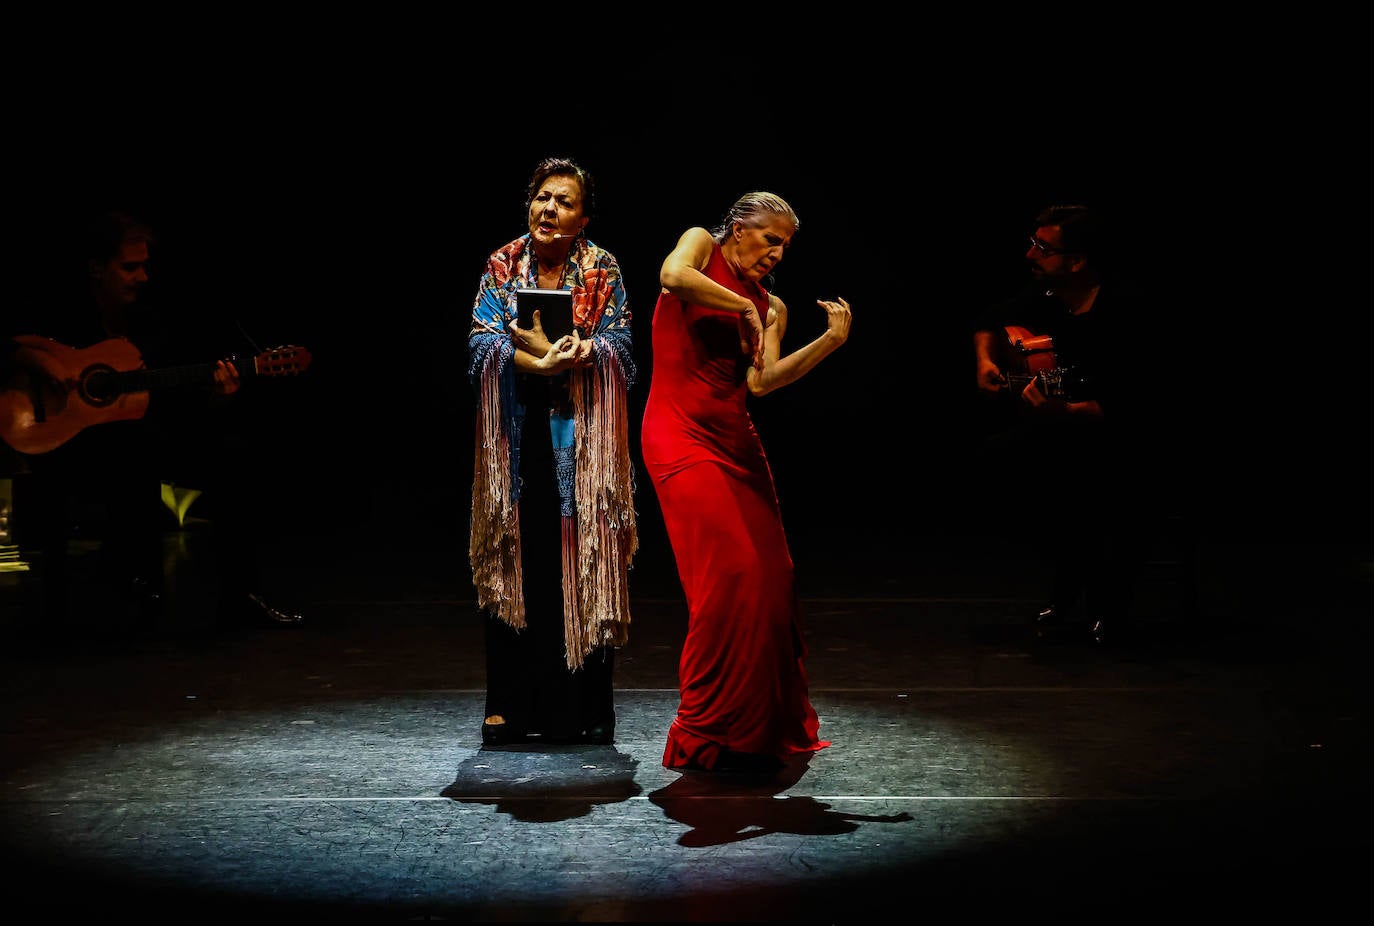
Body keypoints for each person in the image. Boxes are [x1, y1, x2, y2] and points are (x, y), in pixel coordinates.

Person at [2, 209, 303, 639]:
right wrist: (42, 363)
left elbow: (174, 401)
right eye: (130, 267)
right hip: (69, 445)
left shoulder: (153, 320)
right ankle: (137, 596)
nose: (142, 277)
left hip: (140, 437)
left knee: (232, 455)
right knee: (133, 457)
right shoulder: (57, 311)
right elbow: (10, 346)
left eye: (144, 266)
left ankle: (241, 597)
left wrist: (218, 395)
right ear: (96, 268)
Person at [640, 191, 852, 775]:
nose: (777, 253)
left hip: (736, 443)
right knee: (728, 575)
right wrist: (741, 306)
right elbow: (671, 276)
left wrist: (829, 341)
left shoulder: (772, 305)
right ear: (737, 228)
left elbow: (763, 382)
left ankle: (759, 729)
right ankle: (704, 730)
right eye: (770, 238)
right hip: (679, 436)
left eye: (785, 245)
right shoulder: (700, 245)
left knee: (775, 579)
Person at [467, 156, 637, 746]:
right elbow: (481, 340)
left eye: (565, 202)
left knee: (581, 560)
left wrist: (578, 352)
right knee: (517, 559)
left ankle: (586, 709)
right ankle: (508, 706)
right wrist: (537, 360)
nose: (550, 209)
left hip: (581, 437)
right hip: (515, 436)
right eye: (543, 197)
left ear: (583, 217)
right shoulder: (502, 262)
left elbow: (622, 345)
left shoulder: (601, 266)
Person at [971, 202, 1152, 644]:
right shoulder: (1046, 299)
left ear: (1078, 260)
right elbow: (987, 321)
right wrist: (985, 362)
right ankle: (1070, 584)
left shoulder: (1128, 310)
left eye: (1042, 247)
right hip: (1067, 431)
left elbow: (1137, 405)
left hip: (1126, 438)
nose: (1030, 255)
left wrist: (1068, 413)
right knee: (995, 460)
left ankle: (1109, 605)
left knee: (1096, 483)